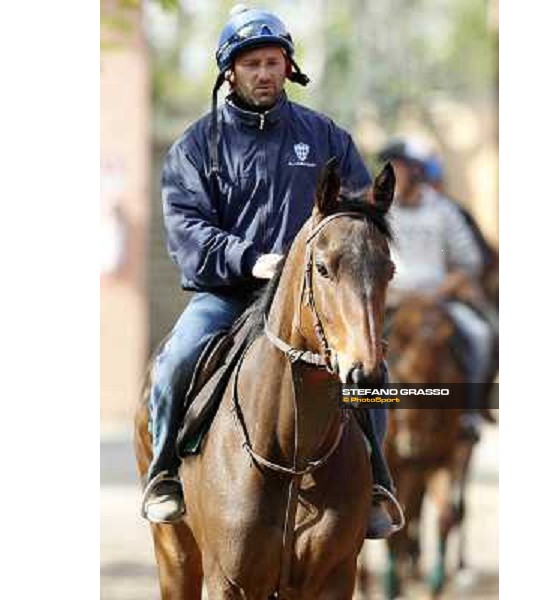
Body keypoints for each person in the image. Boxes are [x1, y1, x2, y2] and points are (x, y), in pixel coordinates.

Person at [142, 5, 396, 539]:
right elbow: (185, 227)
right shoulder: (195, 146)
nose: (264, 72)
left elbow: (356, 213)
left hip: (314, 301)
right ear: (229, 71)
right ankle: (164, 472)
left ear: (288, 68)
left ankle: (376, 479)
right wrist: (250, 258)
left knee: (372, 370)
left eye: (274, 61)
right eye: (252, 62)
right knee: (175, 359)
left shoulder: (325, 136)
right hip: (230, 294)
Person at [379, 139, 496, 440]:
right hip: (389, 301)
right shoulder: (377, 207)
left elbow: (468, 262)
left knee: (483, 335)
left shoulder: (443, 210)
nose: (392, 173)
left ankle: (469, 412)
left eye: (400, 167)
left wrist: (439, 293)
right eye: (389, 166)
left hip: (438, 301)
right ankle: (355, 410)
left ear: (416, 171)